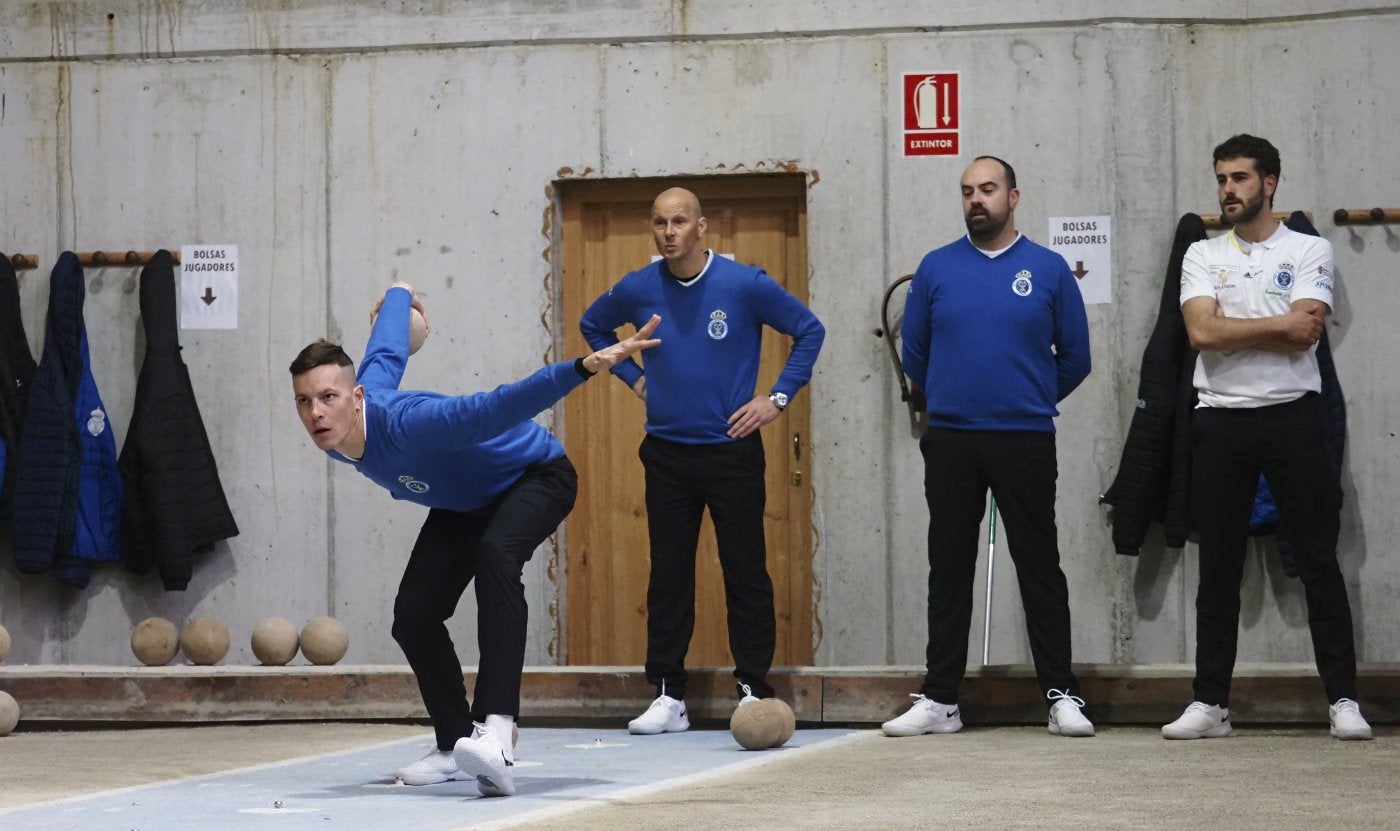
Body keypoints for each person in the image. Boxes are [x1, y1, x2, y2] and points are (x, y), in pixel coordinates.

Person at [289, 281, 661, 795]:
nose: (316, 414)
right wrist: (399, 293)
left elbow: (498, 406)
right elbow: (387, 348)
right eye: (304, 402)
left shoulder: (412, 422)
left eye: (328, 398)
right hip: (465, 501)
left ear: (355, 399)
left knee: (497, 557)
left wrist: (583, 368)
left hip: (535, 474)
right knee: (414, 616)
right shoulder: (335, 435)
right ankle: (454, 744)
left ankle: (498, 732)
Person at [579, 187, 825, 734]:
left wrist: (776, 399)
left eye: (679, 222)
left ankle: (752, 690)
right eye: (659, 223)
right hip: (666, 452)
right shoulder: (639, 287)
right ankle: (669, 695)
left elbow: (809, 330)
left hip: (732, 452)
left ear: (701, 227)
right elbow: (593, 326)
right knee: (668, 573)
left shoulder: (744, 284)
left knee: (745, 572)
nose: (668, 232)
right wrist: (632, 377)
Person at [1164, 134, 1372, 741]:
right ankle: (1211, 705)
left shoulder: (1310, 248)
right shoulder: (1202, 255)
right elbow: (1200, 334)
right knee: (1219, 566)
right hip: (1220, 418)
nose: (1228, 189)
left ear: (1270, 183)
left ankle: (1344, 701)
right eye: (1222, 179)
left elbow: (1306, 333)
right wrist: (1276, 323)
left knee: (1317, 560)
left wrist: (1241, 327)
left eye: (1240, 179)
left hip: (1293, 417)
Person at [885, 155, 1094, 739]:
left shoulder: (1049, 270)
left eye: (988, 189)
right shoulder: (936, 268)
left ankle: (1060, 695)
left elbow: (1076, 357)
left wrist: (1022, 395)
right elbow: (917, 355)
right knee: (949, 567)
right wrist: (959, 396)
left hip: (1025, 438)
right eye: (968, 191)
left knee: (1040, 567)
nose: (977, 199)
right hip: (951, 439)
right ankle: (941, 699)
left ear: (1014, 197)